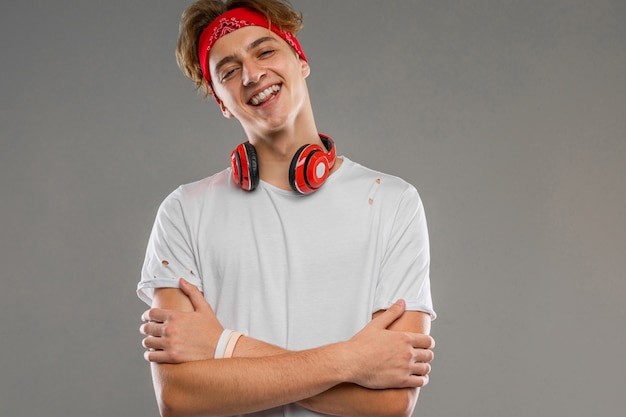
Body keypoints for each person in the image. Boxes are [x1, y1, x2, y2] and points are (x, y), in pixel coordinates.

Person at [137, 1, 436, 416]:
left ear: (300, 59)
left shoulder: (392, 202)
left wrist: (222, 346)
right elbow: (179, 398)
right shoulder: (185, 211)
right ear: (221, 101)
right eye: (228, 70)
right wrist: (354, 360)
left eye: (264, 51)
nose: (252, 74)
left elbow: (389, 404)